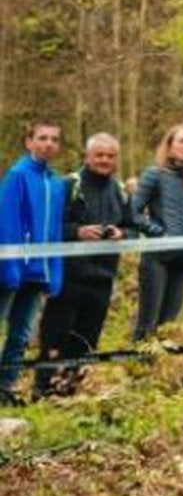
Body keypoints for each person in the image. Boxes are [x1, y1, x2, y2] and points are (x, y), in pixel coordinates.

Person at [34, 133, 141, 397]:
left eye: (110, 156)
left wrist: (121, 234)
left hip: (103, 278)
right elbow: (47, 226)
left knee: (86, 339)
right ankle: (43, 388)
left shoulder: (120, 190)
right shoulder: (70, 184)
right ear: (87, 156)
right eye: (99, 155)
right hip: (69, 276)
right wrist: (77, 232)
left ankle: (70, 390)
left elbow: (132, 228)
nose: (104, 160)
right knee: (56, 334)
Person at [0, 120, 65, 404]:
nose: (48, 143)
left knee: (22, 333)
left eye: (53, 139)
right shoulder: (17, 175)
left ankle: (6, 387)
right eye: (42, 138)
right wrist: (10, 265)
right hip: (12, 269)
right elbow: (7, 221)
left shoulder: (56, 183)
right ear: (29, 142)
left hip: (38, 272)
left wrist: (56, 270)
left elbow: (56, 231)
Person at [130, 123, 183, 341]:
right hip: (157, 259)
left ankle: (159, 369)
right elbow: (132, 212)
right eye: (182, 141)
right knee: (148, 325)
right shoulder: (154, 174)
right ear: (170, 146)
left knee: (168, 327)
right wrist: (159, 235)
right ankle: (138, 369)